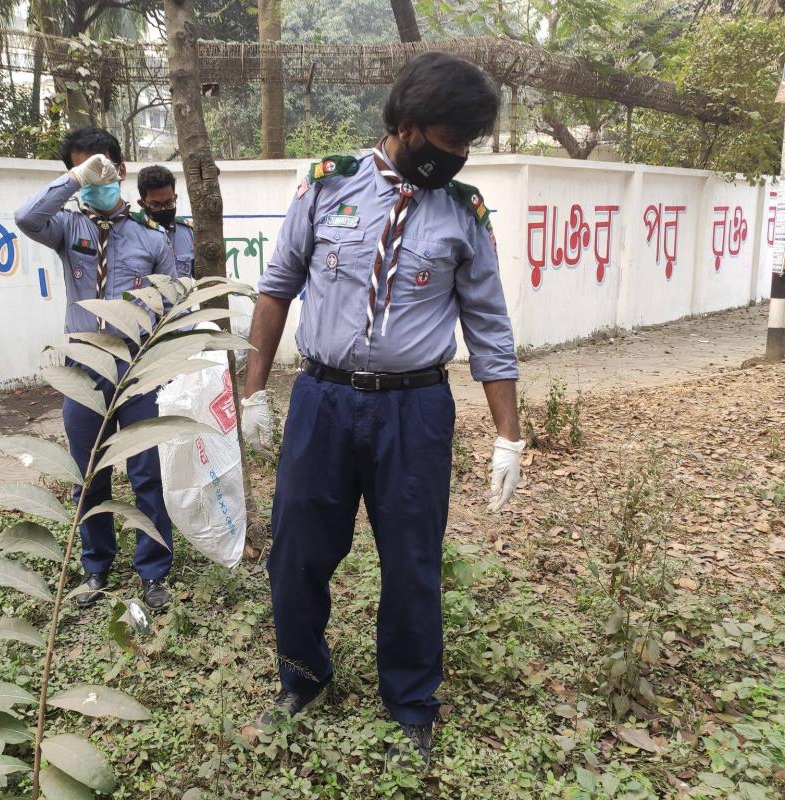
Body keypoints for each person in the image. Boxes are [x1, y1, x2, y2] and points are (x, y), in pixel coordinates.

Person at [239, 53, 525, 770]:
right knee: (296, 553)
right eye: (450, 137)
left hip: (415, 410)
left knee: (411, 562)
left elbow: (489, 326)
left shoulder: (463, 214)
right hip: (322, 401)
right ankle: (301, 680)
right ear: (405, 121)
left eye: (467, 144)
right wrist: (251, 391)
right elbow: (277, 288)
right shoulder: (326, 185)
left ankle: (410, 701)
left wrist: (508, 438)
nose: (457, 155)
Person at [14, 126, 177, 611]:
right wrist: (73, 180)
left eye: (103, 167)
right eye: (87, 170)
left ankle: (153, 571)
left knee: (146, 471)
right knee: (89, 473)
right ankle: (96, 567)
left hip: (136, 368)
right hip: (83, 369)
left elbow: (171, 301)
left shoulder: (151, 236)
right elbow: (25, 216)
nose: (97, 178)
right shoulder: (67, 228)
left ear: (122, 170)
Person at [137, 165, 195, 278]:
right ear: (142, 204)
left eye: (169, 203)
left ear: (175, 198)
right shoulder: (132, 234)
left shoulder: (189, 232)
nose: (163, 209)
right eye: (155, 205)